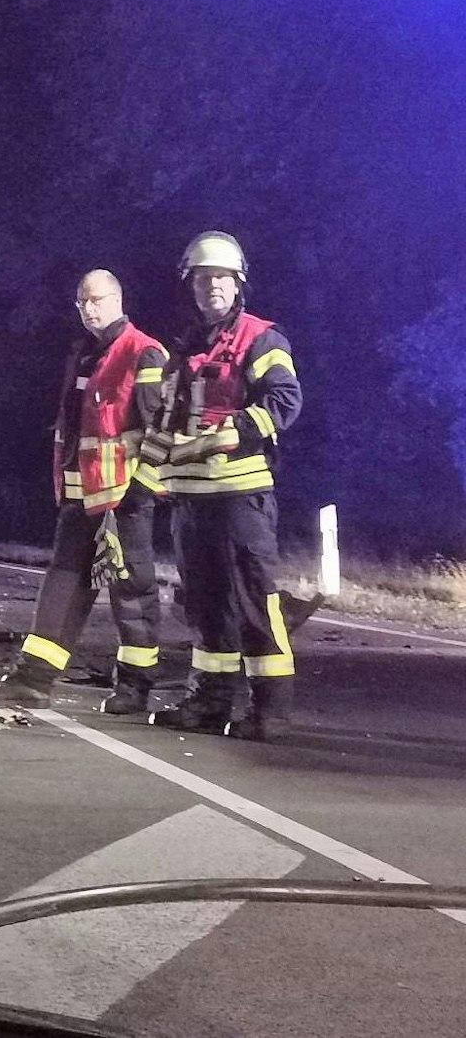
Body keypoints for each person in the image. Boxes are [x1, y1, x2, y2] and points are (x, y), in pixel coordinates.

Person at [0, 270, 169, 712]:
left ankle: (135, 688)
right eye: (82, 303)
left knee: (131, 593)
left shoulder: (145, 353)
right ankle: (33, 680)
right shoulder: (85, 355)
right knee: (61, 588)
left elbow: (162, 430)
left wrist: (141, 488)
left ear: (118, 299)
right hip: (81, 499)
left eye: (96, 300)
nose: (89, 309)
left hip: (123, 499)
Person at [143, 231, 304, 741]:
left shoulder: (261, 338)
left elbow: (285, 399)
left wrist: (233, 432)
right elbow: (165, 421)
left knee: (255, 600)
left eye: (221, 277)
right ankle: (209, 702)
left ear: (238, 284)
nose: (212, 285)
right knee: (206, 604)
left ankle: (270, 710)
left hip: (239, 496)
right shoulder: (183, 346)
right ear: (190, 284)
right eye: (202, 277)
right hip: (190, 499)